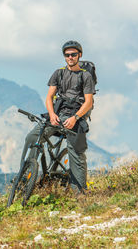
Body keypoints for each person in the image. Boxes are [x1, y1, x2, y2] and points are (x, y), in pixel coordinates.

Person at [20, 40, 95, 195]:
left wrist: (75, 118)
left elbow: (88, 102)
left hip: (76, 116)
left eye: (74, 54)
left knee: (77, 154)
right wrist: (52, 114)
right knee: (32, 137)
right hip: (57, 114)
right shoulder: (58, 73)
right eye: (67, 55)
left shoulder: (85, 76)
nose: (70, 57)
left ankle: (80, 195)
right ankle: (25, 177)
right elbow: (49, 97)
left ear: (79, 55)